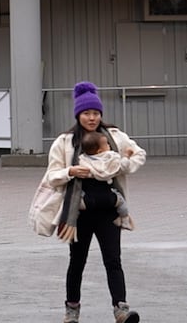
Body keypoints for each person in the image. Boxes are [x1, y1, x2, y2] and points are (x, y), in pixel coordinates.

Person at [44, 81, 146, 323]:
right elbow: (51, 175)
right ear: (78, 114)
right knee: (77, 261)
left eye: (96, 113)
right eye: (87, 113)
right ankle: (72, 311)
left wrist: (123, 164)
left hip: (109, 209)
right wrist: (70, 172)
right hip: (78, 213)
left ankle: (121, 309)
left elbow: (138, 154)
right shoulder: (65, 141)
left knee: (113, 259)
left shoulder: (115, 136)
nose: (92, 118)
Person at [78, 130, 131, 229]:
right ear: (100, 151)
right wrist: (127, 156)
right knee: (121, 201)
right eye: (107, 144)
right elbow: (122, 166)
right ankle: (125, 220)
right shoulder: (110, 158)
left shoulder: (83, 160)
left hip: (86, 200)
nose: (109, 146)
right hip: (109, 198)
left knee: (76, 201)